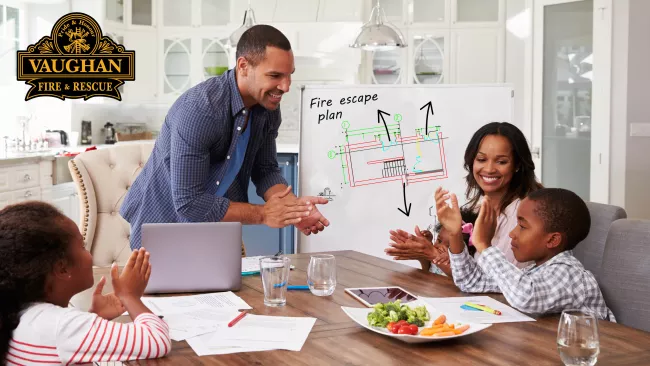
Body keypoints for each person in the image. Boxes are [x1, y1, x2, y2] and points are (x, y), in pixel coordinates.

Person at [120, 24, 329, 250]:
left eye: (289, 76)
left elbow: (266, 170)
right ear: (243, 66)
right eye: (275, 76)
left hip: (215, 226)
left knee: (237, 286)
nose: (286, 86)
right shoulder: (200, 110)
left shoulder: (267, 108)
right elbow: (189, 203)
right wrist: (263, 214)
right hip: (164, 225)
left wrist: (294, 211)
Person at [0, 202, 171, 365]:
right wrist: (129, 295)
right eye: (83, 246)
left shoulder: (21, 314)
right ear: (62, 268)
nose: (88, 253)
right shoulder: (61, 326)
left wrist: (94, 316)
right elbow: (157, 340)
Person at [435, 186, 615, 321]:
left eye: (522, 226)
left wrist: (484, 245)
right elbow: (470, 282)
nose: (512, 233)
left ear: (552, 240)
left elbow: (525, 297)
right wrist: (455, 235)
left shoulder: (570, 274)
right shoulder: (534, 272)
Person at [387, 122, 543, 269]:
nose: (489, 169)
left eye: (501, 162)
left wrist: (431, 254)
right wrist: (427, 251)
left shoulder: (522, 213)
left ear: (517, 165)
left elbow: (500, 282)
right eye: (481, 159)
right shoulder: (476, 206)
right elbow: (467, 272)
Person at [386, 208, 478, 277]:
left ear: (467, 252)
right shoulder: (436, 256)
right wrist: (426, 246)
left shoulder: (463, 266)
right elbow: (427, 271)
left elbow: (458, 276)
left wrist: (448, 258)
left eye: (450, 246)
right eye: (439, 240)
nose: (440, 246)